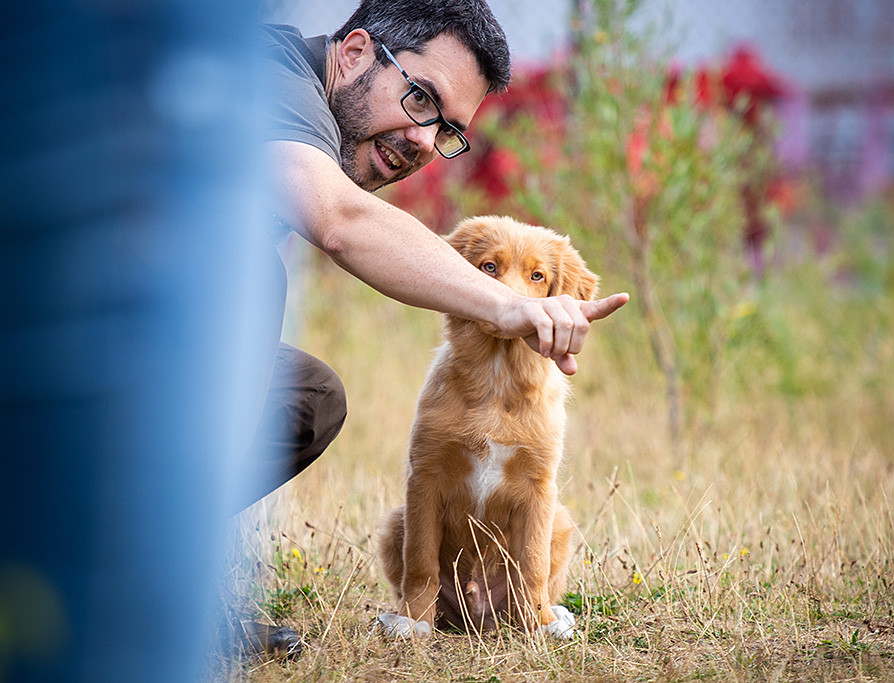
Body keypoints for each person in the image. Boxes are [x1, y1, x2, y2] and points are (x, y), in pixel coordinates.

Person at [235, 0, 629, 656]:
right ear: (354, 53)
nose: (424, 139)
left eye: (446, 129)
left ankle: (136, 580)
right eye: (420, 98)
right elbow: (341, 220)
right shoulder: (270, 79)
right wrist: (506, 305)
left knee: (308, 398)